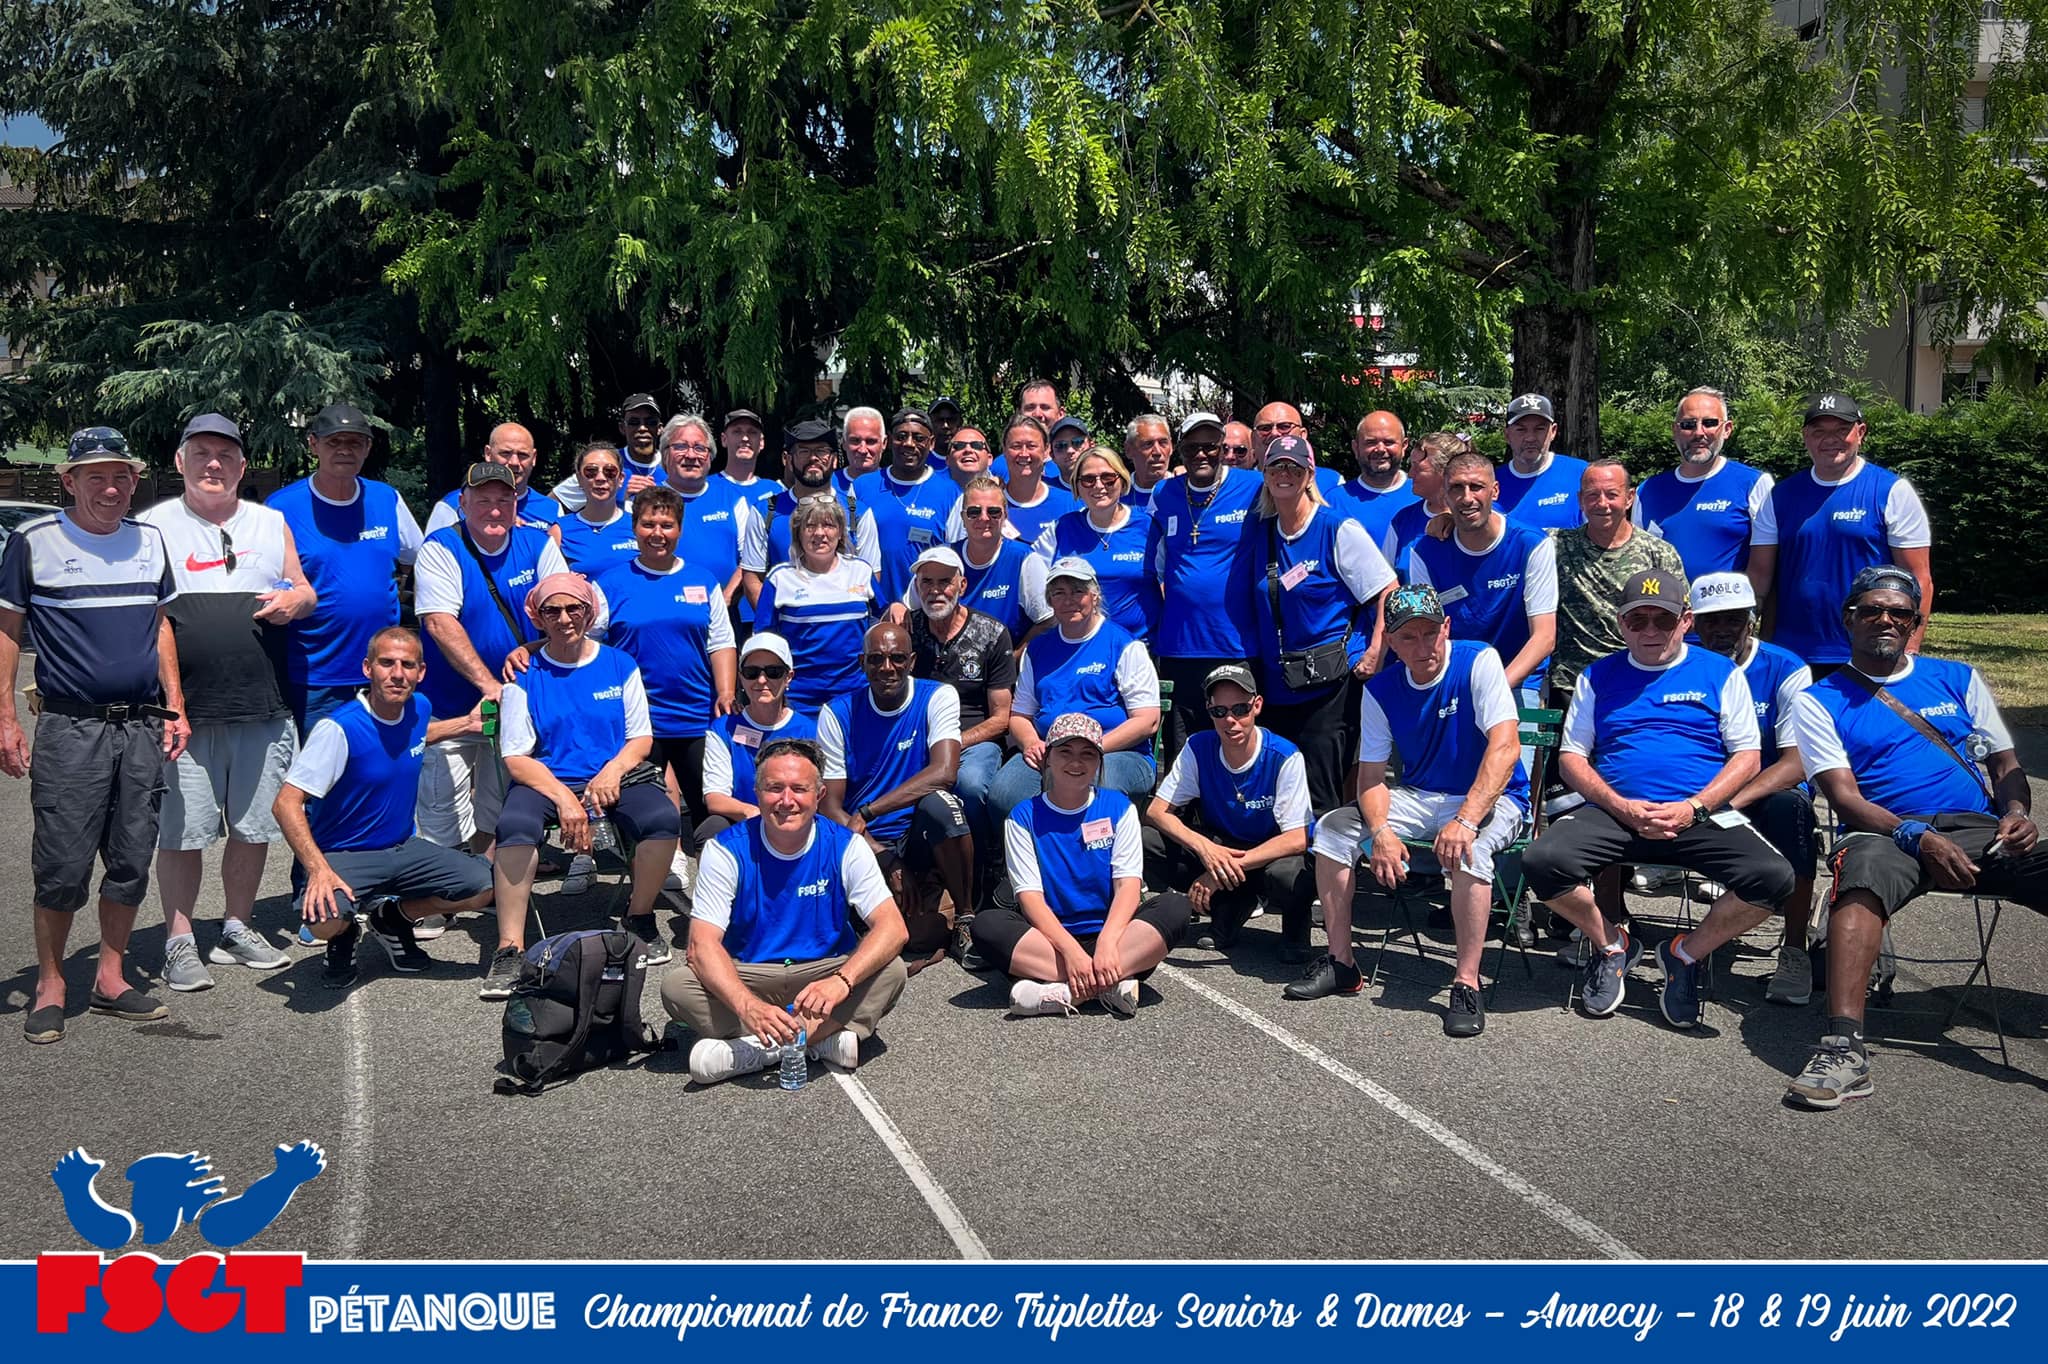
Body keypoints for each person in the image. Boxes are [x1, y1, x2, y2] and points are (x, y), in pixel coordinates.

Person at [1784, 565, 2044, 1109]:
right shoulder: (1819, 699)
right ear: (1848, 619)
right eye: (1872, 610)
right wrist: (1915, 836)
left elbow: (2005, 765)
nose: (1885, 620)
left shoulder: (1958, 678)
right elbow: (1844, 797)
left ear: (1914, 623)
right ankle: (1843, 1049)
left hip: (1978, 830)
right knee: (1861, 878)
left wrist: (2018, 811)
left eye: (1899, 613)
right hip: (1883, 830)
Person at [1522, 571, 1796, 1028]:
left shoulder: (1720, 673)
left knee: (1773, 878)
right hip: (1616, 812)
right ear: (1621, 624)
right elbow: (1571, 759)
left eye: (1663, 620)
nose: (1650, 631)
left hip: (1699, 813)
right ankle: (1612, 945)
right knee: (1541, 861)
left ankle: (1684, 954)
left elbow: (1747, 757)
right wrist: (1620, 806)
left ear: (1685, 621)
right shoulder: (1597, 676)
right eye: (1638, 620)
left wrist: (1695, 807)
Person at [5, 427, 191, 1043]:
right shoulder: (33, 542)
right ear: (69, 480)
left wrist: (176, 706)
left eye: (121, 476)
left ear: (134, 481)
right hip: (71, 727)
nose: (111, 488)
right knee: (61, 864)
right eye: (96, 477)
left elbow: (160, 625)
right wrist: (5, 717)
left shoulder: (150, 540)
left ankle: (110, 978)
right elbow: (7, 631)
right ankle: (51, 984)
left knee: (132, 857)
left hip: (141, 725)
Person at [1287, 590, 1527, 1037]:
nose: (1423, 647)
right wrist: (1379, 831)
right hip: (1420, 795)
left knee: (1472, 851)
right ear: (1392, 644)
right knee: (1333, 829)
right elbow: (1371, 778)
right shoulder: (1380, 690)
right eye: (1409, 637)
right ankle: (1342, 963)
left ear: (1446, 628)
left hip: (1492, 796)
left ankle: (1466, 982)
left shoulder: (1479, 661)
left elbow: (1506, 748)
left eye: (1430, 633)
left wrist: (1467, 819)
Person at [140, 413, 315, 990]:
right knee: (182, 833)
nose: (213, 464)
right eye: (201, 453)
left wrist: (297, 602)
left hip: (263, 704)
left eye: (226, 455)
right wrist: (171, 703)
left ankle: (237, 928)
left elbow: (303, 589)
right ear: (180, 461)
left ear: (242, 465)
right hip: (186, 713)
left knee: (253, 827)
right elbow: (149, 618)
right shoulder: (153, 526)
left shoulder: (270, 522)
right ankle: (179, 940)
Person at [662, 738, 911, 1083]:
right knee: (678, 986)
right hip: (750, 972)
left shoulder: (847, 846)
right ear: (757, 792)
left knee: (892, 970)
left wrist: (840, 982)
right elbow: (701, 946)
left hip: (824, 970)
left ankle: (758, 1050)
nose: (787, 800)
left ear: (819, 795)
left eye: (799, 789)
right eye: (774, 788)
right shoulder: (725, 850)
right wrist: (749, 1006)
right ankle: (819, 1038)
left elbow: (893, 928)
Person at [484, 572, 683, 997]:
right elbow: (516, 756)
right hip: (546, 777)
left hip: (612, 773)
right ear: (538, 617)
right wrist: (565, 799)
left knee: (663, 818)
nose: (564, 618)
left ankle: (639, 915)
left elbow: (640, 738)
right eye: (552, 610)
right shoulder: (524, 673)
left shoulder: (619, 664)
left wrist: (612, 771)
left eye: (574, 608)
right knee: (515, 827)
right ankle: (509, 947)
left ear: (590, 613)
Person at [271, 628, 495, 990]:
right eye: (387, 663)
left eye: (408, 665)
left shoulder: (419, 708)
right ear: (367, 668)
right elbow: (285, 803)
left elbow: (416, 736)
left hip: (403, 847)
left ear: (421, 672)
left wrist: (467, 724)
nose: (397, 674)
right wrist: (318, 870)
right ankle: (343, 935)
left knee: (486, 885)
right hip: (344, 854)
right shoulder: (339, 729)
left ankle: (391, 919)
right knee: (323, 920)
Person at [975, 713, 1192, 1017]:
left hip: (1115, 936)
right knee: (986, 925)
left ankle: (1063, 991)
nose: (1076, 762)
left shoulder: (1120, 808)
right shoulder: (1022, 817)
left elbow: (1127, 885)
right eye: (1065, 751)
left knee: (1175, 906)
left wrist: (1107, 943)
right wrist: (1072, 952)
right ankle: (1108, 983)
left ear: (1099, 762)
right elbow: (1030, 898)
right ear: (1048, 758)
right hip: (1050, 941)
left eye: (1087, 754)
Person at [412, 461, 574, 852]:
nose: (495, 510)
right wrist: (490, 686)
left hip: (515, 703)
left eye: (504, 500)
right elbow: (439, 622)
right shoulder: (440, 547)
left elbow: (564, 611)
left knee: (497, 805)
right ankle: (442, 883)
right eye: (483, 500)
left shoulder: (538, 545)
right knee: (442, 811)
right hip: (450, 706)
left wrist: (530, 653)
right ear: (463, 503)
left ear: (516, 504)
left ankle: (480, 872)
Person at [1230, 434, 1397, 813]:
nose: (1284, 474)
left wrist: (1376, 650)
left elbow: (1387, 590)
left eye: (1294, 467)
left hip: (1330, 686)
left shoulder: (1336, 528)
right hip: (1277, 685)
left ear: (1309, 475)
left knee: (1320, 798)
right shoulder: (1263, 532)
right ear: (1265, 474)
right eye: (1276, 467)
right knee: (1280, 796)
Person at [586, 484, 738, 889]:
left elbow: (721, 641)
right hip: (639, 725)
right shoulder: (611, 584)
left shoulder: (702, 580)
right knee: (647, 814)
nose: (658, 533)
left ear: (679, 530)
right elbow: (592, 648)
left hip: (697, 717)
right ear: (635, 527)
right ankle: (651, 885)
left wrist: (725, 692)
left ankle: (718, 889)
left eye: (666, 525)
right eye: (648, 524)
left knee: (710, 810)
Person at [1688, 573, 1818, 1006]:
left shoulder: (1785, 669)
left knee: (1791, 811)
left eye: (1733, 619)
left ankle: (1794, 949)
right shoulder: (1680, 661)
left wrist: (1727, 803)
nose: (1721, 630)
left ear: (1752, 621)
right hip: (1695, 791)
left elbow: (1796, 762)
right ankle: (1611, 931)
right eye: (1711, 621)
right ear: (1693, 623)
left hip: (1761, 793)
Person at [1747, 392, 1933, 672]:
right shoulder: (1779, 497)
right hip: (1790, 653)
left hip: (1870, 652)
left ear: (1861, 433)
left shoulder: (1891, 491)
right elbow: (1760, 576)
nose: (1830, 439)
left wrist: (1910, 649)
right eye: (1819, 431)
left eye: (1841, 430)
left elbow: (1920, 579)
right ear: (1805, 437)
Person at [819, 621, 974, 954]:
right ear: (862, 663)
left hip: (915, 834)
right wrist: (884, 857)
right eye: (876, 659)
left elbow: (944, 772)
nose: (887, 667)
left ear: (912, 661)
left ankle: (965, 918)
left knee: (943, 805)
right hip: (865, 840)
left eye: (897, 658)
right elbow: (829, 806)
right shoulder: (836, 713)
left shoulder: (937, 696)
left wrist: (869, 810)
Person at [269, 402, 424, 734]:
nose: (344, 450)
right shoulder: (282, 507)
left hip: (384, 674)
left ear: (367, 448)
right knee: (318, 765)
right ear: (313, 445)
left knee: (381, 761)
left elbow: (422, 558)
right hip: (315, 677)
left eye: (354, 442)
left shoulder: (386, 499)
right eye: (334, 441)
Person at [1144, 665, 1313, 955]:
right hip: (1221, 845)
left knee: (1289, 874)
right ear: (1209, 711)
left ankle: (1296, 934)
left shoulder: (1284, 755)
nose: (1230, 720)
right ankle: (1230, 908)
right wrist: (1205, 849)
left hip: (1268, 854)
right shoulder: (1198, 747)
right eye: (1219, 712)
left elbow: (1298, 837)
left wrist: (1223, 868)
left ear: (1257, 706)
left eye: (1240, 709)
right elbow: (1156, 811)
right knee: (1147, 841)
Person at [988, 558, 1161, 822]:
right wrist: (1032, 743)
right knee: (1005, 795)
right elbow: (1020, 715)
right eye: (1059, 593)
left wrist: (1091, 749)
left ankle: (1095, 848)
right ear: (1050, 600)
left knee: (1090, 789)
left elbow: (1148, 721)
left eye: (1078, 591)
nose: (1068, 600)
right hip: (1051, 751)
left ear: (1094, 596)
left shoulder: (1124, 645)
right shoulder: (1037, 649)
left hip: (1117, 752)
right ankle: (1033, 846)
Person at [1146, 411, 1263, 765]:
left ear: (1222, 447)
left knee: (1236, 742)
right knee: (1181, 750)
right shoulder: (1163, 492)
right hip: (1179, 647)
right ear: (1179, 449)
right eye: (1192, 446)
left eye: (1210, 446)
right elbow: (1153, 565)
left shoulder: (1253, 486)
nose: (1201, 454)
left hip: (1235, 644)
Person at [1409, 449, 1557, 706]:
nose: (1467, 498)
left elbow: (1544, 637)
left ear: (1495, 491)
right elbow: (1427, 633)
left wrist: (1493, 690)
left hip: (1518, 681)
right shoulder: (1425, 552)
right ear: (1445, 494)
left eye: (1476, 487)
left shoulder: (1531, 544)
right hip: (1456, 681)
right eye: (1456, 488)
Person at [903, 547, 1015, 888]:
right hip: (917, 739)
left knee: (969, 784)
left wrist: (952, 744)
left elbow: (1002, 717)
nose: (935, 590)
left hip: (974, 739)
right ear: (917, 587)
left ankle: (984, 864)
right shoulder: (907, 630)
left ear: (962, 585)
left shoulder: (992, 633)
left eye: (945, 582)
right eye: (927, 582)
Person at [1548, 460, 1686, 701]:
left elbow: (1681, 618)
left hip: (1640, 681)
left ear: (1629, 498)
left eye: (1612, 495)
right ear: (1580, 500)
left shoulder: (1659, 553)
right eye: (1592, 495)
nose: (1602, 504)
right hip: (1573, 683)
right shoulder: (1555, 546)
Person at [753, 495, 878, 715]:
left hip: (855, 695)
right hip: (799, 698)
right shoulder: (780, 578)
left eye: (828, 525)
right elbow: (764, 641)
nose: (819, 533)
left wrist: (897, 607)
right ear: (798, 533)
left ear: (840, 532)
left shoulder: (862, 571)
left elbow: (884, 621)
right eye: (810, 526)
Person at [1633, 388, 1772, 579]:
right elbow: (1639, 564)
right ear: (1675, 430)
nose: (1699, 432)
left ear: (1727, 429)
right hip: (1666, 599)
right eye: (1688, 424)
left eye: (1709, 423)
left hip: (1733, 599)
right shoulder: (1647, 491)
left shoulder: (1753, 484)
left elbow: (1765, 567)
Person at [697, 633, 819, 847]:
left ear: (788, 677)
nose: (762, 680)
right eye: (752, 673)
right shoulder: (723, 729)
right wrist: (753, 813)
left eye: (773, 672)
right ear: (741, 678)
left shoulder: (810, 730)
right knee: (711, 829)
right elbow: (714, 797)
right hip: (746, 821)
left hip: (796, 820)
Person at [741, 419, 881, 603]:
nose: (813, 458)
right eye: (804, 451)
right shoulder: (765, 512)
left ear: (835, 460)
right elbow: (753, 579)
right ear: (788, 460)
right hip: (786, 618)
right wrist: (778, 618)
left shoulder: (858, 513)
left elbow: (870, 577)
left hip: (844, 618)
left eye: (821, 451)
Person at [1032, 446, 1160, 642]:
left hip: (1142, 646)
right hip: (1081, 647)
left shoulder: (1148, 526)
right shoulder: (1061, 529)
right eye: (1088, 479)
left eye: (1108, 478)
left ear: (1122, 480)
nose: (1099, 486)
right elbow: (1034, 581)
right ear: (1077, 486)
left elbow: (1173, 581)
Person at [856, 407, 961, 605]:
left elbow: (956, 558)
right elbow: (848, 548)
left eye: (918, 438)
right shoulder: (860, 487)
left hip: (927, 609)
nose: (909, 444)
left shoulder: (951, 493)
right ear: (889, 441)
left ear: (931, 443)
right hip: (873, 608)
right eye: (901, 436)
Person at [654, 413, 749, 620]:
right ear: (665, 454)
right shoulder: (647, 501)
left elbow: (750, 559)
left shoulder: (732, 499)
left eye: (699, 448)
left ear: (710, 456)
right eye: (680, 446)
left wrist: (725, 598)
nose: (691, 455)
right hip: (663, 613)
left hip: (724, 613)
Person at [948, 474, 1050, 643]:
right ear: (963, 517)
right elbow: (913, 605)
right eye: (974, 512)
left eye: (993, 512)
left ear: (1005, 515)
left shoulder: (1023, 559)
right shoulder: (947, 557)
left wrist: (1016, 655)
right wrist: (901, 607)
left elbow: (1048, 620)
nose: (984, 518)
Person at [424, 422, 562, 537]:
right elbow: (433, 554)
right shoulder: (452, 506)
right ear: (488, 454)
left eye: (522, 455)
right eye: (505, 453)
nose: (514, 462)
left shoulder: (552, 509)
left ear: (534, 458)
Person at [549, 392, 665, 510]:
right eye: (634, 422)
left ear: (660, 428)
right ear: (622, 428)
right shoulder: (604, 463)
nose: (642, 428)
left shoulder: (672, 466)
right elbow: (549, 505)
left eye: (651, 422)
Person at [1494, 393, 1587, 531]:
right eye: (1521, 429)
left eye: (1539, 429)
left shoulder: (1581, 474)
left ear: (1553, 431)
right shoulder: (1489, 482)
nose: (1530, 438)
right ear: (1507, 435)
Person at [1380, 432, 1463, 582]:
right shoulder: (1403, 520)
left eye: (1418, 468)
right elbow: (1385, 583)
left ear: (1446, 473)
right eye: (1411, 466)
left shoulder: (1476, 518)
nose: (1410, 475)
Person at [554, 442, 640, 578]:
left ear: (621, 479)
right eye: (591, 472)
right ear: (579, 479)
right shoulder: (560, 530)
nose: (600, 478)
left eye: (610, 471)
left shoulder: (638, 526)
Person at [1341, 410, 1422, 546]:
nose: (1380, 449)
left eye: (1389, 442)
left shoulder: (1425, 496)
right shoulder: (1333, 501)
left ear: (1404, 446)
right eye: (1371, 442)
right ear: (1356, 448)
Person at [995, 414, 1077, 545]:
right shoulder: (989, 508)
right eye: (1016, 446)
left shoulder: (1072, 505)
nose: (1024, 454)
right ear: (1004, 450)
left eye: (1031, 446)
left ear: (1046, 450)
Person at [714, 407, 784, 525]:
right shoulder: (707, 488)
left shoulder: (776, 491)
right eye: (737, 432)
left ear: (761, 442)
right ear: (724, 439)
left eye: (752, 432)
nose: (745, 438)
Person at [1122, 413, 1173, 510]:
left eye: (1163, 443)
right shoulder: (1117, 495)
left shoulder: (1185, 490)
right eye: (1148, 444)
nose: (1157, 452)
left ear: (1171, 447)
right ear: (1128, 450)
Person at [840, 405, 887, 485]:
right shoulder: (827, 486)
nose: (863, 450)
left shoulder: (896, 486)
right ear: (844, 443)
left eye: (871, 441)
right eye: (855, 441)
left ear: (884, 443)